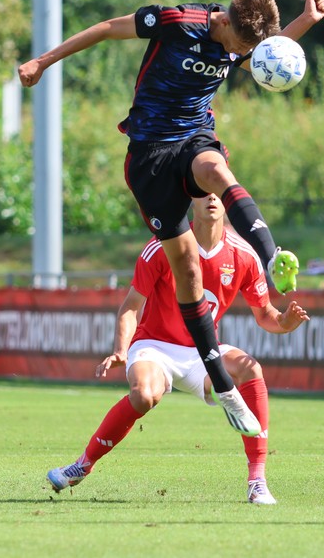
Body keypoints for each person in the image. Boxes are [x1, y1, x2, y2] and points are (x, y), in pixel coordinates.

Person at [19, 0, 324, 435]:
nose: (246, 57)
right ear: (224, 24)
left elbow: (268, 57)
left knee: (218, 171)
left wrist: (306, 21)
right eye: (242, 49)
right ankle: (222, 384)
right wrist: (43, 62)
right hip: (149, 155)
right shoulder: (177, 21)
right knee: (186, 271)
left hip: (195, 137)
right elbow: (108, 29)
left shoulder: (240, 39)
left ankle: (269, 253)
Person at [46, 193, 310, 505]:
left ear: (227, 203)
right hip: (155, 346)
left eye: (218, 192)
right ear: (190, 201)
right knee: (144, 395)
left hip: (203, 352)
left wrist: (285, 321)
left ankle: (257, 481)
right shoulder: (163, 246)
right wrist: (121, 349)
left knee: (251, 368)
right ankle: (82, 465)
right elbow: (132, 307)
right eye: (203, 192)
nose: (211, 197)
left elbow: (266, 315)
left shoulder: (244, 255)